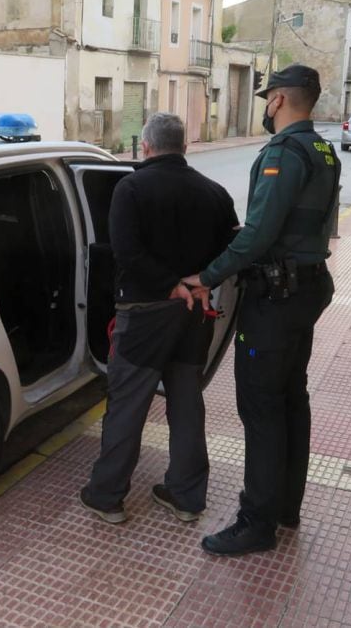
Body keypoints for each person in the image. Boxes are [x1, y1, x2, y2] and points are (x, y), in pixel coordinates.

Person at [183, 64, 340, 556]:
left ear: (277, 101)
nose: (265, 107)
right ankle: (286, 506)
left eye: (266, 98)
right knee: (292, 398)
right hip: (306, 288)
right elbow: (299, 224)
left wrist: (205, 276)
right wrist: (255, 239)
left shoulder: (283, 151)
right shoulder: (323, 149)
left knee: (261, 407)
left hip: (275, 298)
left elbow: (259, 233)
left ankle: (256, 521)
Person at [80, 112, 238, 525]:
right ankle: (186, 497)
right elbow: (230, 251)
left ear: (146, 147)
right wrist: (198, 284)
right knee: (187, 404)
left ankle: (106, 495)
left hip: (146, 317)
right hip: (194, 318)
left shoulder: (130, 188)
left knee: (128, 406)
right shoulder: (216, 193)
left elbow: (126, 252)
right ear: (184, 147)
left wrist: (171, 286)